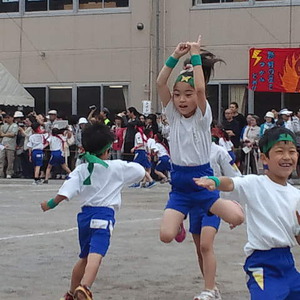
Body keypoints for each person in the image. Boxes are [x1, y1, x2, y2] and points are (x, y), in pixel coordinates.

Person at [156, 36, 244, 299]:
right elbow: (161, 82)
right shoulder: (172, 114)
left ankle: (209, 290)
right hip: (180, 187)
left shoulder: (202, 118)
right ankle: (180, 221)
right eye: (177, 96)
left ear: (197, 97)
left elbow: (202, 89)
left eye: (188, 95)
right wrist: (174, 55)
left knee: (226, 228)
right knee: (166, 235)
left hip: (202, 181)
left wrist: (195, 56)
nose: (182, 100)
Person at [41, 123, 145, 300]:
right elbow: (140, 171)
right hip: (103, 216)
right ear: (108, 149)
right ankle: (85, 287)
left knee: (83, 257)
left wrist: (50, 204)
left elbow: (65, 192)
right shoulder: (116, 167)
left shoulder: (81, 169)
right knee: (96, 255)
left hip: (85, 217)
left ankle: (71, 292)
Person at [194, 126, 300, 300]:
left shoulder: (296, 195)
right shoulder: (255, 183)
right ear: (264, 158)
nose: (287, 157)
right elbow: (230, 183)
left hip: (288, 264)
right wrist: (213, 180)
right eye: (280, 151)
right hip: (263, 264)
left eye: (292, 152)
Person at [189, 138, 241, 300]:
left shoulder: (219, 151)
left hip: (213, 202)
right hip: (194, 203)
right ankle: (212, 287)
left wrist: (233, 207)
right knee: (199, 249)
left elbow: (235, 177)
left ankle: (209, 289)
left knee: (206, 245)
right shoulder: (187, 151)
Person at [0, 112, 19, 178]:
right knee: (1, 159)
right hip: (3, 144)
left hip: (11, 145)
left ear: (12, 118)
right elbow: (1, 132)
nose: (7, 119)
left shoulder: (15, 125)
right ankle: (1, 172)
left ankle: (9, 172)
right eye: (6, 118)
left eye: (8, 118)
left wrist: (4, 135)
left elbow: (13, 134)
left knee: (10, 160)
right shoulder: (3, 125)